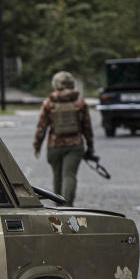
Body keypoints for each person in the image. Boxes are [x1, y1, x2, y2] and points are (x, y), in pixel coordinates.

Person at [33, 71, 94, 206]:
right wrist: (90, 146)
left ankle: (58, 205)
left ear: (55, 84)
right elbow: (87, 127)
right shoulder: (80, 103)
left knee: (57, 176)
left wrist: (37, 145)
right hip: (75, 144)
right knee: (69, 175)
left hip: (54, 145)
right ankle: (68, 206)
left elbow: (41, 127)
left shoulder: (49, 103)